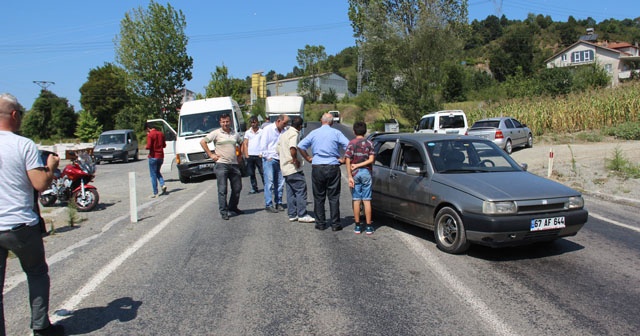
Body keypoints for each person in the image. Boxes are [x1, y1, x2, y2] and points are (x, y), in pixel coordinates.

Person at [0, 93, 64, 336]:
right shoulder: (23, 144)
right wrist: (51, 167)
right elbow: (40, 184)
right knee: (36, 273)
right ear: (14, 115)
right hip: (20, 225)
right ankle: (41, 327)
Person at [298, 113, 349, 231]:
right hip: (333, 166)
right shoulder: (336, 133)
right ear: (331, 122)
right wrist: (343, 159)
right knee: (334, 197)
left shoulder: (314, 133)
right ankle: (335, 224)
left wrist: (308, 158)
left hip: (318, 166)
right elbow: (349, 146)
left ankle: (320, 223)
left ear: (321, 121)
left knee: (319, 196)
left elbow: (301, 146)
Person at [200, 113, 243, 220]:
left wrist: (240, 155)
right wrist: (211, 155)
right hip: (221, 164)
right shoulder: (216, 133)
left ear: (230, 122)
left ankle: (233, 207)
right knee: (223, 189)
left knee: (237, 188)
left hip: (233, 164)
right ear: (220, 123)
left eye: (227, 121)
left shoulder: (235, 134)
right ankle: (224, 211)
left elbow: (242, 143)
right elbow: (203, 142)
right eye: (223, 122)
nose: (225, 124)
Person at [276, 116, 315, 223]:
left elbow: (277, 149)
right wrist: (294, 159)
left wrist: (284, 158)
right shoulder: (294, 134)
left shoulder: (284, 134)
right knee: (301, 189)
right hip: (293, 168)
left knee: (290, 191)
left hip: (284, 167)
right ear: (300, 126)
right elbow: (293, 148)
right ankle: (302, 214)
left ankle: (292, 214)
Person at [345, 121, 376, 235]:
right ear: (365, 131)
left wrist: (349, 176)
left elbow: (348, 160)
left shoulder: (351, 143)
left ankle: (357, 226)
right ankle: (368, 226)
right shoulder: (370, 143)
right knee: (367, 200)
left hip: (355, 173)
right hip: (366, 172)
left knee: (356, 200)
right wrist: (361, 165)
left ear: (354, 131)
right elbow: (371, 160)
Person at [259, 114, 290, 213]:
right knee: (269, 182)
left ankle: (279, 202)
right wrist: (267, 157)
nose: (285, 125)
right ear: (278, 121)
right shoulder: (268, 129)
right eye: (284, 123)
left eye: (287, 123)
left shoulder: (285, 131)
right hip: (270, 159)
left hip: (281, 159)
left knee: (280, 182)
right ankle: (268, 204)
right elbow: (263, 144)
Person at [242, 116, 264, 194]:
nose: (253, 124)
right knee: (251, 173)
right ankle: (254, 187)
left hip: (259, 155)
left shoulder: (262, 132)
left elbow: (264, 143)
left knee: (262, 172)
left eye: (254, 122)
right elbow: (245, 143)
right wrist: (246, 154)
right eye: (251, 122)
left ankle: (266, 186)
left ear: (257, 122)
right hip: (250, 155)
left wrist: (262, 153)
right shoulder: (248, 132)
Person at [145, 122, 167, 198]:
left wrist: (146, 143)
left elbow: (148, 146)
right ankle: (162, 184)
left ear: (148, 128)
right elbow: (164, 145)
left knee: (153, 174)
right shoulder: (161, 134)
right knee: (157, 171)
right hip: (161, 156)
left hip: (153, 156)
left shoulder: (150, 135)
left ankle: (155, 192)